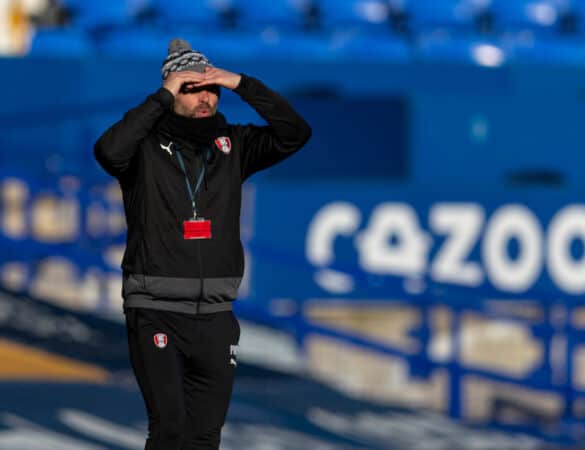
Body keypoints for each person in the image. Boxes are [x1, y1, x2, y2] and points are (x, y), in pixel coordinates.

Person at [93, 38, 311, 450]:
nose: (205, 97)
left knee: (205, 436)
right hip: (155, 310)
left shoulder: (234, 144)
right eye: (192, 89)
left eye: (211, 88)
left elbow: (296, 133)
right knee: (170, 428)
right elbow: (107, 151)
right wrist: (161, 96)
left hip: (215, 315)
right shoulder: (143, 147)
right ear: (172, 91)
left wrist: (241, 83)